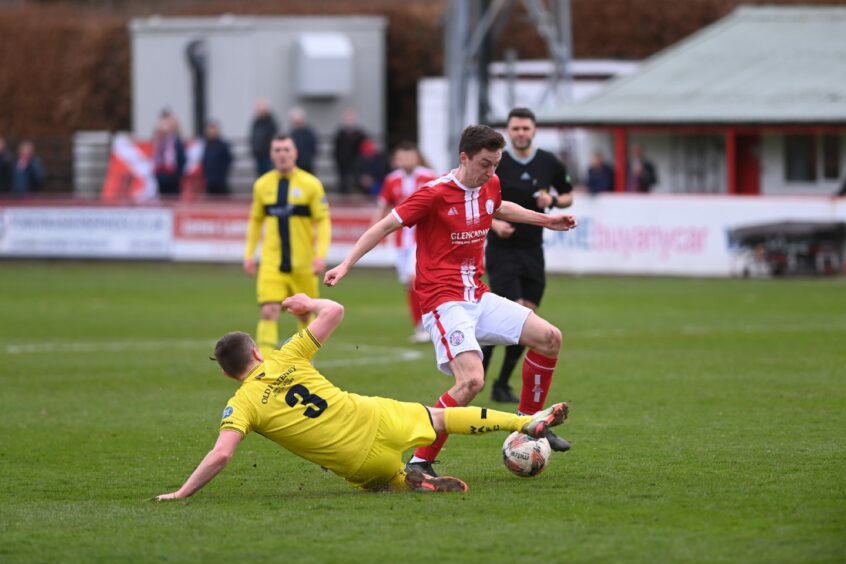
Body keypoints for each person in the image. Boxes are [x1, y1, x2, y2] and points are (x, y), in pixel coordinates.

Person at [324, 124, 578, 477]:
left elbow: (498, 206)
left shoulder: (490, 183)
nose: (491, 172)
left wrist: (546, 221)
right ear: (464, 157)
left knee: (550, 338)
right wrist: (346, 263)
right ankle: (419, 461)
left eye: (496, 164)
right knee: (471, 381)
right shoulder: (433, 194)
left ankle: (530, 422)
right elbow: (384, 226)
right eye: (485, 164)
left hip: (478, 294)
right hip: (443, 301)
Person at [153, 293, 570, 499]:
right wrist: (307, 301)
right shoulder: (287, 355)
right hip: (375, 417)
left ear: (229, 374)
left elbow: (222, 454)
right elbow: (334, 311)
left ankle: (406, 482)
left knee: (376, 478)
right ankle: (523, 422)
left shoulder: (240, 404)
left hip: (358, 462)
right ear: (258, 353)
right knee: (439, 418)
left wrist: (182, 493)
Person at [482, 108, 574, 404]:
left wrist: (555, 200)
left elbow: (568, 193)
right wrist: (494, 224)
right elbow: (478, 199)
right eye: (516, 128)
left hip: (533, 252)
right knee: (516, 314)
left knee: (527, 319)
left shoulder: (548, 162)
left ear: (534, 131)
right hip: (502, 252)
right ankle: (479, 371)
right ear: (509, 132)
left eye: (526, 128)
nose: (521, 133)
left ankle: (501, 382)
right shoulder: (497, 164)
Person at [244, 134, 331, 358]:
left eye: (286, 150)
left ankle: (305, 363)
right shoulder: (262, 185)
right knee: (269, 310)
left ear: (295, 153)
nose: (282, 154)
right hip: (272, 261)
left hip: (303, 262)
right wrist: (249, 255)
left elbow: (322, 221)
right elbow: (255, 221)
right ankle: (262, 365)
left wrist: (321, 255)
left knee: (304, 314)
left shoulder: (311, 184)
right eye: (277, 150)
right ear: (271, 155)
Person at [371, 141, 437, 343]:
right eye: (401, 157)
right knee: (410, 285)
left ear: (416, 157)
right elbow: (382, 206)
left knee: (414, 278)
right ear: (396, 160)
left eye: (409, 156)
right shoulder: (392, 180)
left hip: (423, 238)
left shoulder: (429, 176)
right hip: (401, 241)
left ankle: (427, 325)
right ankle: (420, 325)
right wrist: (374, 231)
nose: (405, 160)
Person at [152, 111, 186, 197]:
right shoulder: (158, 141)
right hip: (160, 178)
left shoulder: (176, 140)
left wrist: (176, 175)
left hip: (173, 178)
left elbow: (182, 159)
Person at [333, 108, 365, 194]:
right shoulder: (340, 133)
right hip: (343, 161)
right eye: (348, 119)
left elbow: (363, 147)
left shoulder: (360, 134)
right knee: (343, 181)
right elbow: (336, 148)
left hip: (356, 161)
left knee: (355, 180)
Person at [201, 120, 233, 196]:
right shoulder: (206, 146)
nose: (212, 132)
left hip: (220, 181)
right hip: (209, 181)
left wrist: (222, 173)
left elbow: (228, 160)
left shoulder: (223, 145)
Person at [250, 99, 278, 177]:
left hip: (268, 154)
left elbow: (274, 137)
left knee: (269, 174)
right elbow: (253, 137)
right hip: (258, 154)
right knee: (260, 175)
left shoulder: (271, 122)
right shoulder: (256, 122)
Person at [289, 107, 318, 174]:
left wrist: (308, 158)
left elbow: (313, 147)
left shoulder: (309, 133)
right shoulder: (292, 133)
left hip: (306, 163)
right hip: (295, 163)